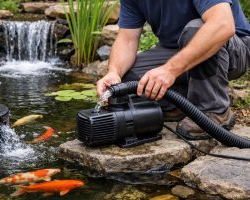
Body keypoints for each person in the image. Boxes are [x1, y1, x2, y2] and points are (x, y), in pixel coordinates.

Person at [96, 0, 250, 140]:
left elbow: (222, 25)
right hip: (174, 50)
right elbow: (127, 39)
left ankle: (214, 110)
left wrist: (169, 70)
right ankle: (182, 105)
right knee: (128, 82)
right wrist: (114, 72)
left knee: (195, 29)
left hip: (231, 50)